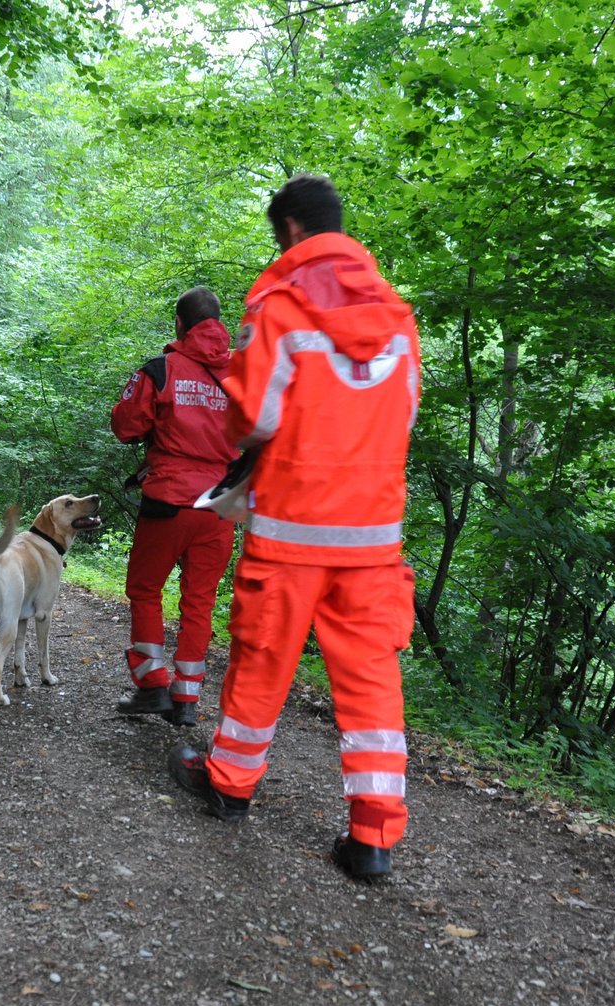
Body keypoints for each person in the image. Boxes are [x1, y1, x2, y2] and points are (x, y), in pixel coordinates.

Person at [169, 175, 422, 881]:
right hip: (371, 536)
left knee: (262, 656)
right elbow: (403, 416)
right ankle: (372, 837)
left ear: (287, 230)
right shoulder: (398, 317)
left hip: (292, 527)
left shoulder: (281, 304)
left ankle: (229, 784)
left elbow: (257, 417)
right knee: (372, 679)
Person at [111, 287, 237, 727]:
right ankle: (186, 698)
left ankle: (151, 687)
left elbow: (126, 426)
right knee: (198, 602)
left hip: (169, 500)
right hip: (221, 505)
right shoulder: (243, 373)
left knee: (145, 590)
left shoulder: (161, 369)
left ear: (180, 324)